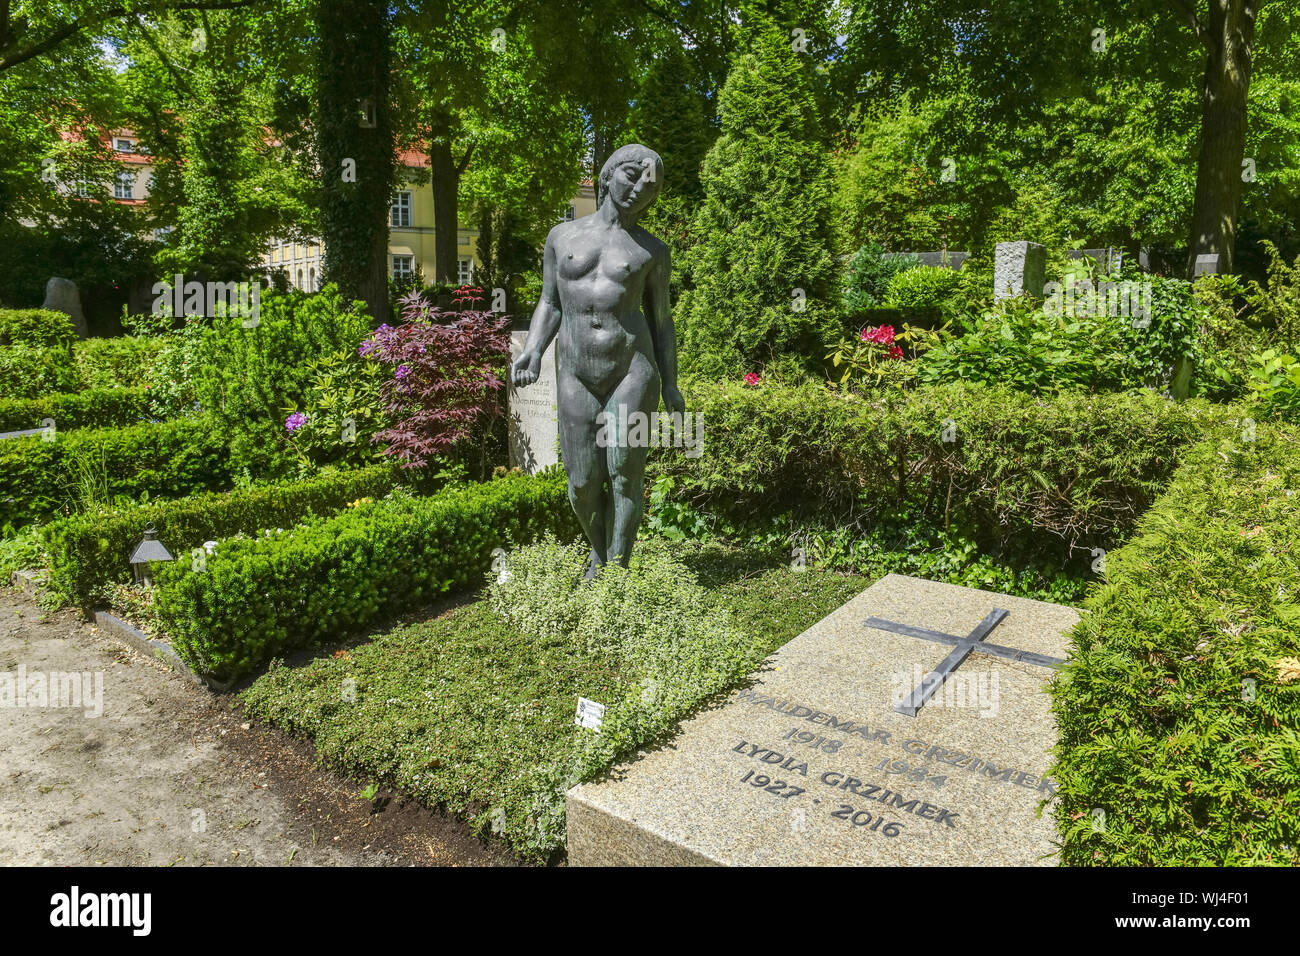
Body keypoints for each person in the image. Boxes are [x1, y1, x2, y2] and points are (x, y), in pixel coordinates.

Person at [511, 143, 685, 572]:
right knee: (582, 482)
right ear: (607, 175)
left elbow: (662, 321)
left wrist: (670, 383)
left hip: (632, 370)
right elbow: (549, 302)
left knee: (625, 469)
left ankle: (616, 570)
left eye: (650, 187)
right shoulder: (561, 237)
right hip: (574, 370)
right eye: (632, 176)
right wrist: (533, 350)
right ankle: (600, 551)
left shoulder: (653, 251)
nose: (639, 190)